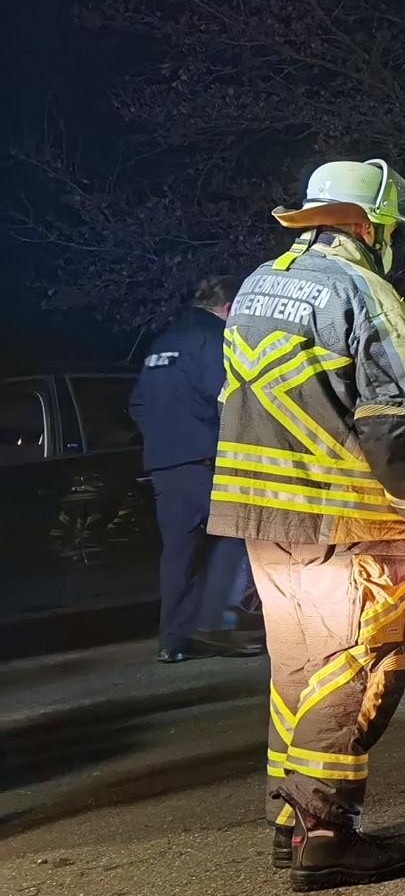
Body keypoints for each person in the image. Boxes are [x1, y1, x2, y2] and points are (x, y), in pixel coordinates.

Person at [208, 159, 405, 891]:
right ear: (368, 225)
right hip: (344, 519)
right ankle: (326, 831)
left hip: (262, 520)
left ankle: (290, 824)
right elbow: (390, 424)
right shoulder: (364, 293)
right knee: (356, 666)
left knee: (296, 674)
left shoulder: (258, 284)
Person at [129, 276, 262, 663]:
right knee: (237, 537)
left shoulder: (164, 342)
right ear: (230, 307)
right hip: (207, 459)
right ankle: (218, 626)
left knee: (178, 554)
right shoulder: (215, 339)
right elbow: (226, 395)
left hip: (165, 464)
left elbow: (137, 404)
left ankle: (173, 640)